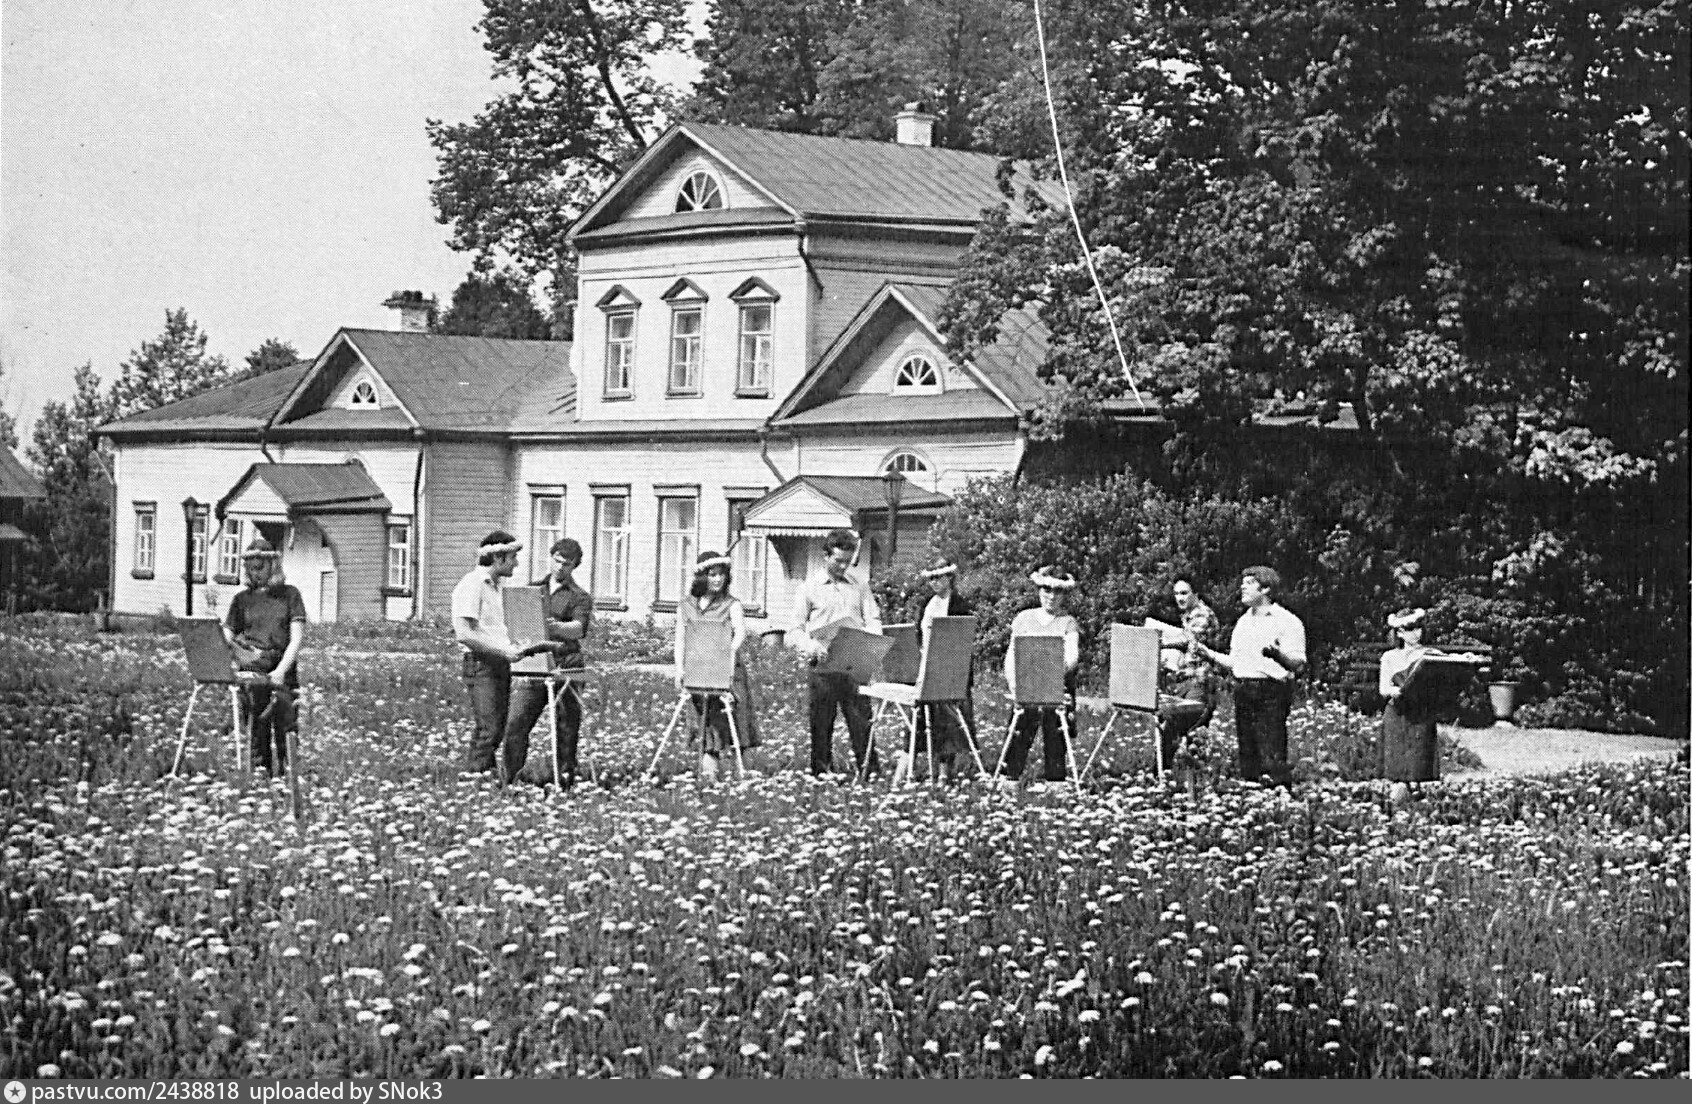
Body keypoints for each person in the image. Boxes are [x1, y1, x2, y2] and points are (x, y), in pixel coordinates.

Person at [1192, 565, 1307, 788]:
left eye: (1249, 583)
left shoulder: (1287, 621)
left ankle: (1277, 796)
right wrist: (1208, 654)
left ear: (1265, 589)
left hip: (1271, 691)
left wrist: (1278, 655)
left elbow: (1299, 663)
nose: (1242, 588)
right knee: (1248, 755)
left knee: (1271, 753)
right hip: (1243, 689)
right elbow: (1235, 662)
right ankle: (1252, 796)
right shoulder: (1243, 622)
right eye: (1242, 583)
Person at [500, 537, 594, 787]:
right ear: (550, 558)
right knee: (516, 722)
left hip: (567, 664)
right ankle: (510, 779)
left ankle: (565, 780)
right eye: (557, 560)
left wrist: (555, 627)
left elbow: (578, 628)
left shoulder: (580, 596)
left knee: (566, 727)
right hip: (535, 664)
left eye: (567, 564)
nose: (560, 567)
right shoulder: (532, 590)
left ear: (574, 566)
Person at [789, 528, 883, 777]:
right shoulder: (809, 588)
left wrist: (870, 637)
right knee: (821, 723)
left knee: (861, 720)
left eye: (847, 562)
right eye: (838, 561)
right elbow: (794, 631)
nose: (843, 567)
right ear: (826, 556)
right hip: (823, 664)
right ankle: (821, 774)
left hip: (853, 663)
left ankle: (870, 772)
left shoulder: (860, 586)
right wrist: (811, 646)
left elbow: (873, 618)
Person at [674, 551, 761, 782]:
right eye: (712, 574)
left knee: (737, 724)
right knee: (708, 725)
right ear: (702, 577)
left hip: (728, 670)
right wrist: (679, 669)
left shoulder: (731, 604)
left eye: (722, 574)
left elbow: (740, 633)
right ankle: (710, 779)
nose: (718, 579)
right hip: (698, 670)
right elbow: (680, 639)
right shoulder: (686, 606)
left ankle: (743, 778)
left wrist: (727, 652)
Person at [222, 537, 306, 776]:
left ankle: (289, 782)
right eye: (250, 568)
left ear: (272, 565)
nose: (255, 573)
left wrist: (280, 671)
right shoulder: (241, 600)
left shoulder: (290, 595)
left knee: (286, 731)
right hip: (252, 671)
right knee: (256, 732)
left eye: (260, 567)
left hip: (281, 670)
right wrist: (229, 648)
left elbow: (296, 639)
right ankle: (261, 782)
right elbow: (226, 636)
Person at [999, 565, 1082, 785]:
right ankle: (1009, 777)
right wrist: (1015, 684)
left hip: (1056, 687)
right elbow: (1011, 656)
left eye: (1057, 592)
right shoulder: (1024, 618)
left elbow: (1071, 658)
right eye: (1046, 590)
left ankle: (1055, 779)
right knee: (1020, 724)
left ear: (1064, 594)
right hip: (1027, 686)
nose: (1051, 597)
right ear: (1039, 590)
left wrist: (1049, 676)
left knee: (1055, 724)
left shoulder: (1068, 622)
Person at [452, 530, 525, 775]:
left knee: (495, 729)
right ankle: (475, 780)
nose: (516, 563)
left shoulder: (495, 587)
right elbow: (464, 634)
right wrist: (503, 650)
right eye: (512, 557)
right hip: (481, 663)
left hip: (498, 662)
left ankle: (485, 778)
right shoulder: (472, 585)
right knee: (489, 730)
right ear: (497, 557)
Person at [899, 557, 977, 782]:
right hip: (926, 667)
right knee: (918, 721)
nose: (934, 582)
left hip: (951, 669)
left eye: (938, 578)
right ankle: (903, 773)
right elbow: (920, 636)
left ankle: (944, 774)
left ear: (949, 577)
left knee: (947, 724)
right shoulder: (927, 604)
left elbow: (963, 641)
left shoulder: (960, 606)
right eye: (931, 578)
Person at [1157, 576, 1221, 770]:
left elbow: (1188, 639)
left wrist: (1160, 641)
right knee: (1175, 728)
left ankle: (1193, 776)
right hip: (1185, 680)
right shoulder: (1188, 616)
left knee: (1192, 729)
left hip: (1200, 681)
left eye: (1184, 593)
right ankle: (1167, 773)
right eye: (1176, 594)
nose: (1180, 598)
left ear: (1196, 594)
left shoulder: (1202, 614)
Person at [1379, 607, 1439, 799]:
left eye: (1418, 627)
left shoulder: (1430, 654)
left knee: (1419, 756)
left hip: (1420, 711)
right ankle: (1398, 795)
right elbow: (1383, 688)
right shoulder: (1389, 657)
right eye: (1410, 628)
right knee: (1398, 756)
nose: (1416, 633)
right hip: (1397, 711)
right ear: (1399, 632)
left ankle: (1417, 794)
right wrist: (1395, 691)